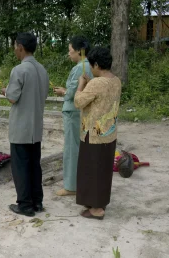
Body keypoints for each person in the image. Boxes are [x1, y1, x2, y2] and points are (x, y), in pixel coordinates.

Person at [1, 33, 49, 217]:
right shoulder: (42, 70)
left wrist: (5, 91)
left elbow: (13, 97)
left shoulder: (19, 70)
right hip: (36, 126)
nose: (14, 49)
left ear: (20, 47)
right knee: (34, 165)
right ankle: (37, 202)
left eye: (15, 46)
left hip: (21, 127)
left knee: (21, 166)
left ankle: (25, 206)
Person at [74, 47, 122, 219]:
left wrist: (81, 84)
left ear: (96, 65)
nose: (91, 69)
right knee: (102, 170)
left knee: (91, 170)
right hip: (109, 132)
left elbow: (78, 102)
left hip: (93, 133)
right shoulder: (116, 80)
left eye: (91, 65)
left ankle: (97, 210)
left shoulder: (97, 83)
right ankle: (98, 202)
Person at [53, 36, 93, 196]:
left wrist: (64, 91)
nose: (69, 54)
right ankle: (81, 182)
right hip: (82, 111)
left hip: (73, 112)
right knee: (80, 147)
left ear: (79, 51)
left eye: (70, 51)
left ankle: (70, 186)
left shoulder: (79, 67)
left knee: (71, 148)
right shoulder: (90, 66)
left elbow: (72, 93)